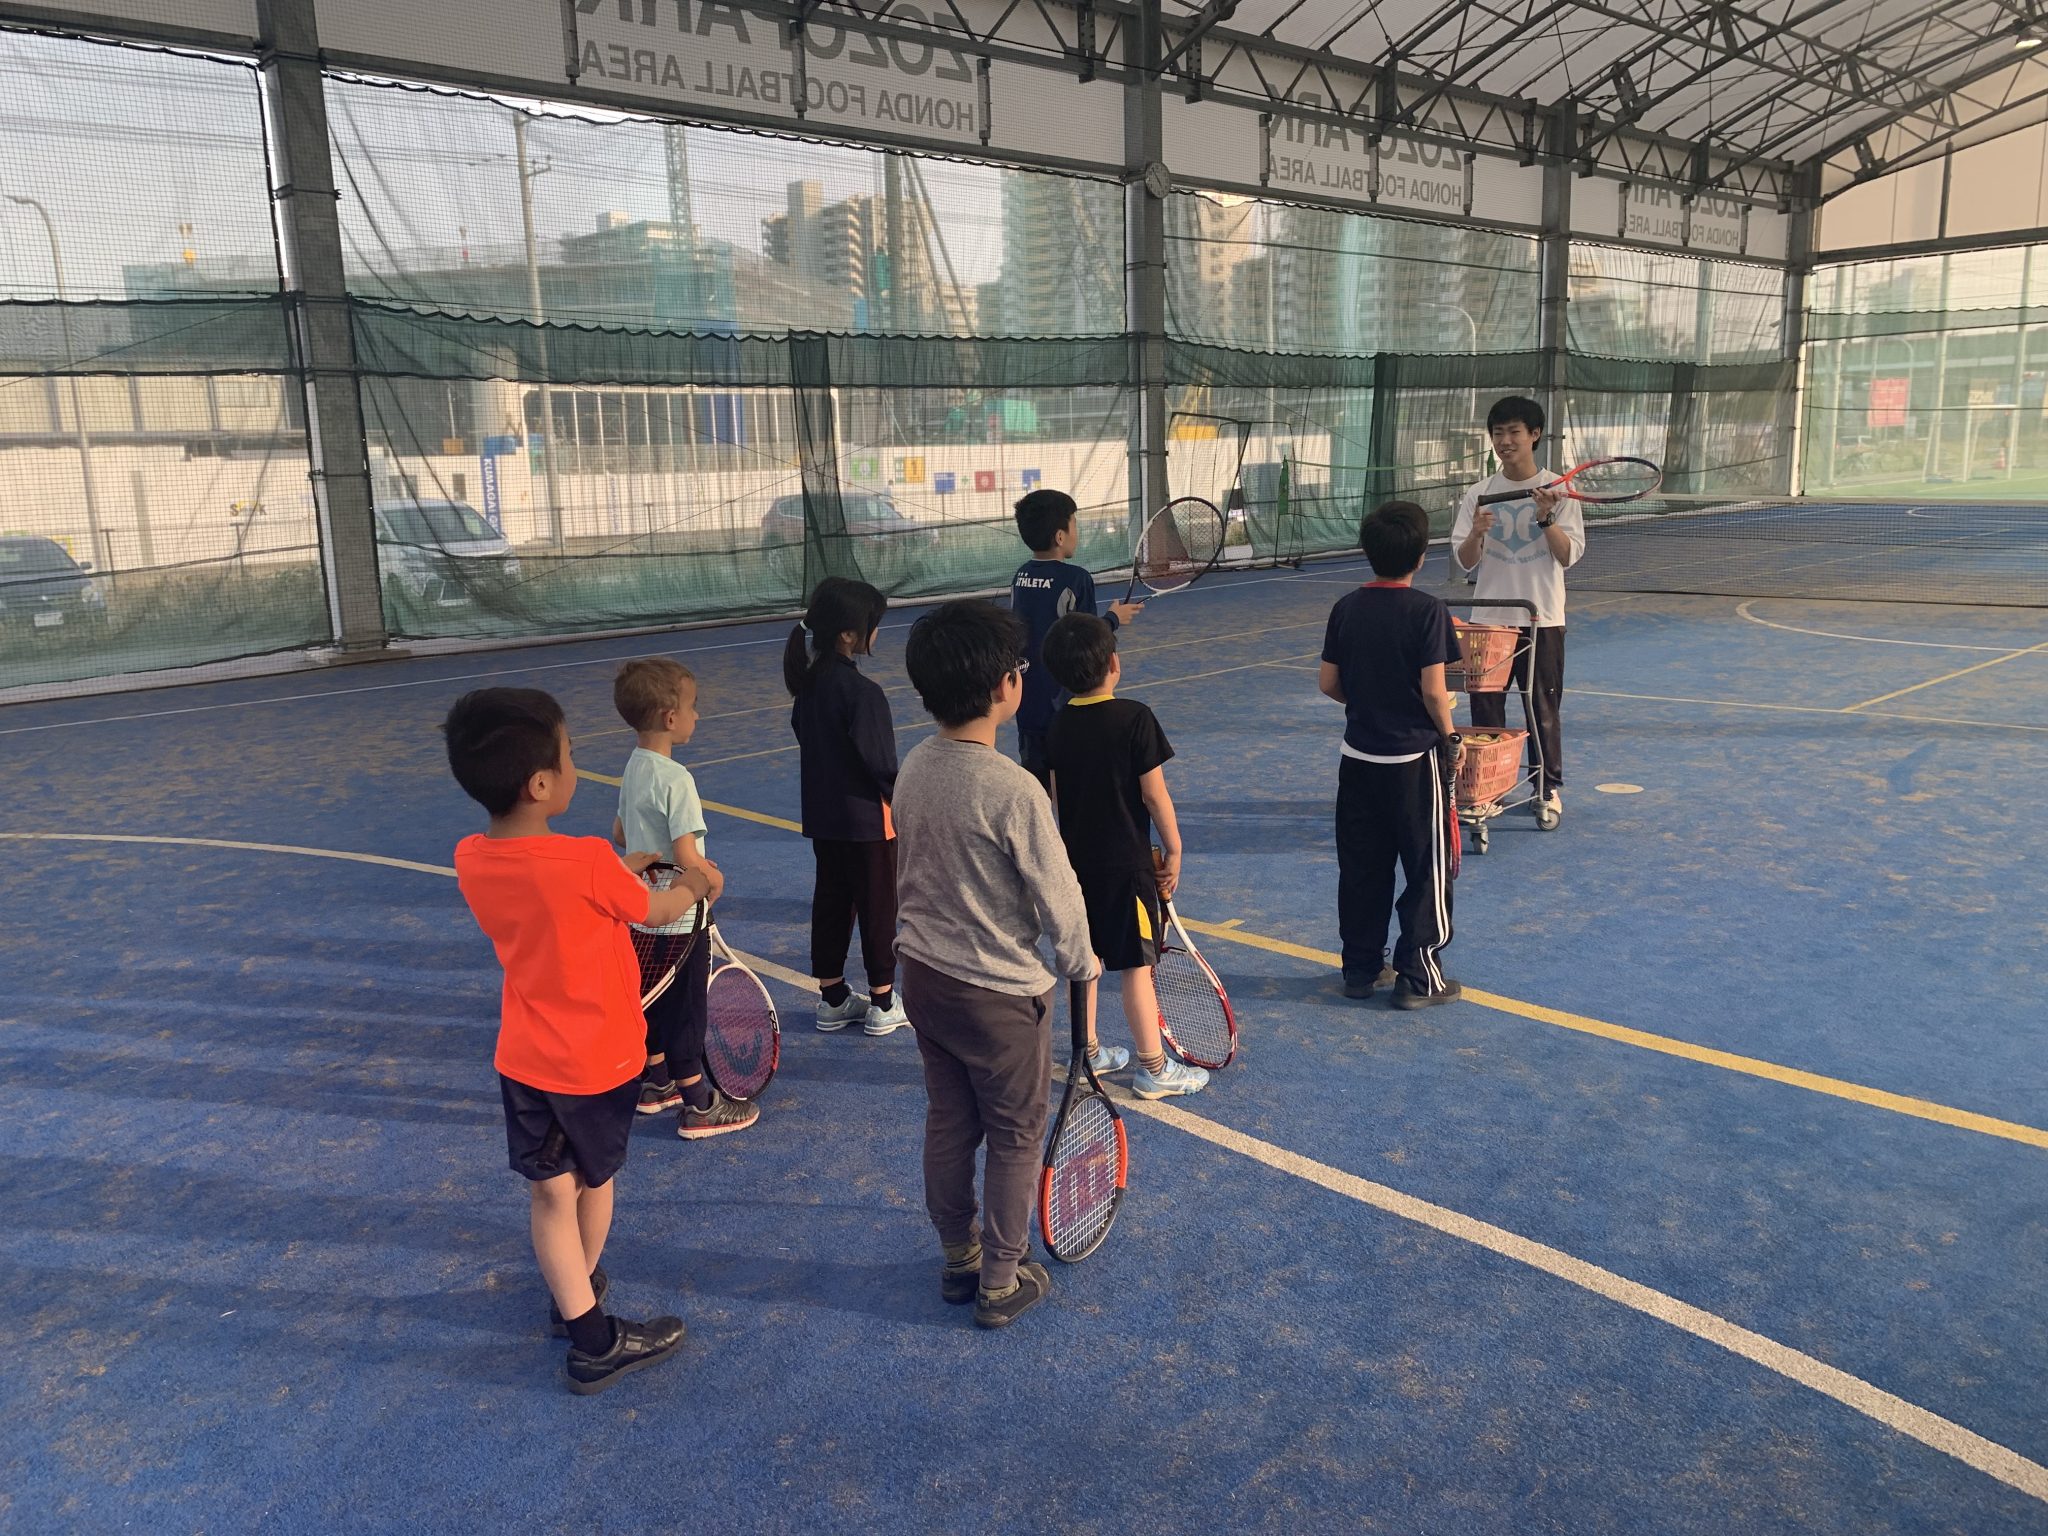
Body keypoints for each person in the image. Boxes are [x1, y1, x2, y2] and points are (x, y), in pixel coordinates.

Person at [445, 686, 715, 1392]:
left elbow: (555, 887)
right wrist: (696, 882)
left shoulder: (471, 857)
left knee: (549, 1193)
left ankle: (573, 1297)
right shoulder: (588, 861)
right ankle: (592, 1334)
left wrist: (616, 873)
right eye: (567, 756)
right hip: (595, 1060)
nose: (573, 766)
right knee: (594, 1181)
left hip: (524, 1058)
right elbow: (653, 906)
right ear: (541, 784)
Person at [894, 599, 1098, 1329]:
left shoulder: (915, 765)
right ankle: (1002, 1280)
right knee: (1015, 1133)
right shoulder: (1013, 788)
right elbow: (1060, 895)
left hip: (924, 977)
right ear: (1006, 685)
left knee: (950, 1120)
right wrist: (1081, 962)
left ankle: (961, 1257)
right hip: (998, 994)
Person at [1040, 611, 1208, 1099]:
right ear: (1114, 663)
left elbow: (1056, 798)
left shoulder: (1057, 726)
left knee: (1086, 959)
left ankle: (1089, 1052)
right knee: (1137, 966)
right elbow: (1154, 795)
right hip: (1126, 867)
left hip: (1075, 867)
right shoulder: (1135, 718)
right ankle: (1154, 1068)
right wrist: (1174, 848)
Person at [1318, 503, 1463, 1010]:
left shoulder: (1346, 607)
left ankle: (1360, 969)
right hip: (1413, 762)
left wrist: (1366, 705)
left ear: (1368, 551)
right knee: (1427, 868)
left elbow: (1328, 682)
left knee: (1362, 867)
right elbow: (1434, 691)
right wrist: (1450, 737)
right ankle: (1418, 978)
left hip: (1358, 759)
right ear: (1421, 557)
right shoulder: (1428, 611)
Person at [610, 657, 757, 1139]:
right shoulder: (677, 779)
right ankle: (698, 1103)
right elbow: (685, 855)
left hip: (641, 914)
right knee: (688, 1010)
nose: (698, 715)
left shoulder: (633, 767)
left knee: (651, 999)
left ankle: (656, 1082)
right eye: (693, 707)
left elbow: (620, 833)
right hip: (679, 918)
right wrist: (711, 877)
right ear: (671, 718)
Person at [784, 577, 910, 1037]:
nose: (877, 631)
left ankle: (833, 997)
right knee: (878, 906)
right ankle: (883, 1001)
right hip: (868, 821)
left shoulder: (809, 687)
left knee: (832, 901)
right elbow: (881, 764)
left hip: (824, 817)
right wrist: (905, 802)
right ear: (848, 634)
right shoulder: (863, 692)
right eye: (873, 624)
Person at [1449, 395, 1581, 822]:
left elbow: (1568, 556)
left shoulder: (1559, 490)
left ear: (1534, 435)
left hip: (1543, 618)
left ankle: (1547, 789)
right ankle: (1487, 791)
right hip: (1489, 623)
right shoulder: (1479, 494)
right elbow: (1465, 561)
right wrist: (1476, 533)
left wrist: (1546, 518)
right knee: (1485, 714)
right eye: (1498, 433)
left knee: (1542, 710)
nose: (1505, 441)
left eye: (1514, 432)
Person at [1009, 488, 1142, 789]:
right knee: (1076, 787)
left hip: (1027, 704)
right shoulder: (1076, 579)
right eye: (1074, 524)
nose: (1076, 532)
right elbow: (1086, 640)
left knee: (1037, 788)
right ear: (1060, 536)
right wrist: (1113, 619)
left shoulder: (1020, 577)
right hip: (1065, 705)